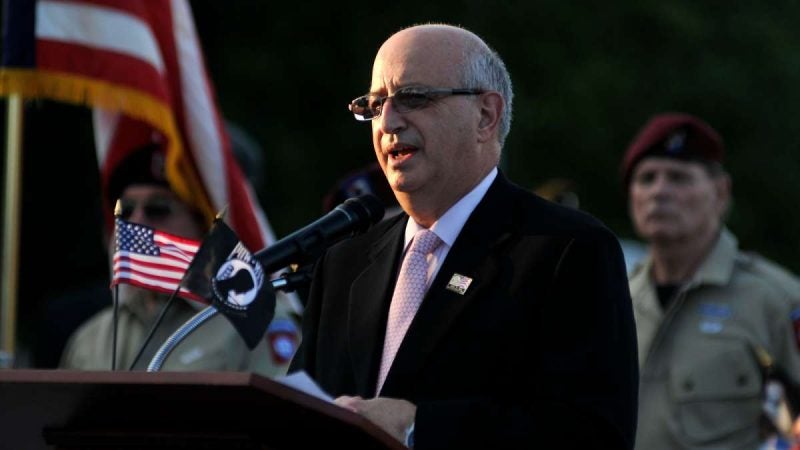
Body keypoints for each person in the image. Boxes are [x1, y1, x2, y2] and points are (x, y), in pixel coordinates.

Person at [291, 24, 638, 448]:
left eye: (413, 98)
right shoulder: (344, 264)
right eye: (375, 104)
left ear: (486, 116)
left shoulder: (566, 249)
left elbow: (593, 433)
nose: (387, 122)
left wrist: (418, 426)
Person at [621, 112, 800, 449]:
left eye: (679, 178)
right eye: (646, 178)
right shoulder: (615, 298)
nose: (660, 191)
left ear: (720, 192)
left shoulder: (775, 300)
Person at [61, 143, 300, 375]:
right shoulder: (90, 338)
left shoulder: (255, 322)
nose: (136, 223)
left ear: (204, 226)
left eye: (158, 209)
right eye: (126, 210)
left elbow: (281, 411)